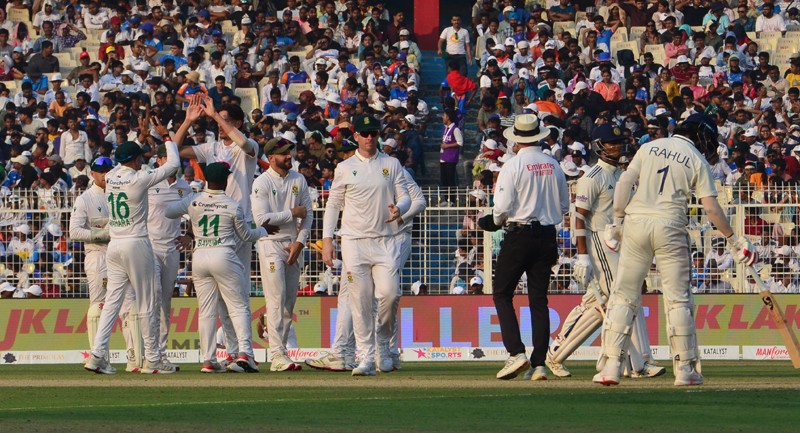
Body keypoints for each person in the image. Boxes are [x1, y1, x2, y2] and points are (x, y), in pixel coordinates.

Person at [594, 114, 757, 386]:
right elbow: (711, 208)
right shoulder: (696, 159)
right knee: (678, 300)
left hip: (636, 222)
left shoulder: (649, 147)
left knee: (623, 295)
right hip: (670, 225)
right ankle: (685, 369)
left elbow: (624, 183)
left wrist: (618, 221)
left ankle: (611, 366)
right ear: (701, 135)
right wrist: (733, 240)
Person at [545, 123, 665, 379]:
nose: (617, 147)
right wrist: (583, 257)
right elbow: (579, 217)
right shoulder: (592, 177)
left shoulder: (622, 176)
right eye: (611, 142)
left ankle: (556, 353)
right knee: (624, 298)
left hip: (620, 244)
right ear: (598, 146)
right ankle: (639, 362)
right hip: (599, 242)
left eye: (618, 142)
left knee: (598, 304)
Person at [478, 114, 569, 381]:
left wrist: (493, 221)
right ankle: (538, 363)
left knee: (502, 292)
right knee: (538, 300)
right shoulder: (553, 165)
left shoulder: (514, 165)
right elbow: (564, 206)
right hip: (547, 235)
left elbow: (502, 207)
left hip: (520, 233)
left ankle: (516, 352)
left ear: (516, 140)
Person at [321, 114, 412, 376]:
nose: (370, 137)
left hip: (386, 240)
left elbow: (405, 196)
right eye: (365, 133)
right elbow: (333, 205)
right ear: (356, 136)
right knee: (359, 301)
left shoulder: (391, 163)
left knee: (390, 294)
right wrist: (327, 241)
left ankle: (383, 344)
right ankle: (366, 356)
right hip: (354, 242)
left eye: (373, 132)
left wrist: (400, 208)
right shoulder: (344, 167)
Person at [166, 162, 278, 373]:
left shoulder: (193, 200)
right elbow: (246, 236)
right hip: (224, 254)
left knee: (206, 311)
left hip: (200, 256)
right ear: (226, 180)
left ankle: (208, 360)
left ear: (207, 180)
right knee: (239, 306)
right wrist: (264, 230)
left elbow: (169, 212)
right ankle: (245, 354)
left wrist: (190, 208)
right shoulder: (232, 205)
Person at [173, 94, 258, 371]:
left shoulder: (246, 146)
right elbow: (175, 151)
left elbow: (244, 144)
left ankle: (244, 352)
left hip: (238, 224)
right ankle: (234, 352)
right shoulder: (211, 147)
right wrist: (188, 121)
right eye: (218, 120)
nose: (219, 125)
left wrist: (214, 117)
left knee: (238, 293)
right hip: (215, 230)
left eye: (225, 120)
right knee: (220, 299)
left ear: (238, 122)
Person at [84, 137, 180, 375]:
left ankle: (97, 355)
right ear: (136, 160)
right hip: (136, 242)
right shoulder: (139, 178)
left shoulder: (110, 177)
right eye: (140, 158)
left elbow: (124, 165)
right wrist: (167, 139)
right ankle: (153, 358)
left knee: (112, 303)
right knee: (147, 302)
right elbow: (173, 165)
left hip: (114, 245)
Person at [251, 137, 313, 372]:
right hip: (270, 244)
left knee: (288, 302)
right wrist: (291, 213)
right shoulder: (262, 182)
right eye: (284, 153)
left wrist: (300, 242)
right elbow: (262, 220)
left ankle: (281, 351)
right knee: (276, 298)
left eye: (290, 152)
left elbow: (308, 214)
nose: (289, 156)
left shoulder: (298, 179)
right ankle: (277, 354)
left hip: (293, 244)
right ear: (271, 158)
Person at [68, 156, 136, 371]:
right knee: (99, 306)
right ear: (92, 174)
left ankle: (134, 357)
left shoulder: (120, 193)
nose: (105, 175)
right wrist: (103, 234)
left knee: (129, 306)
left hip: (121, 255)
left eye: (108, 170)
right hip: (98, 255)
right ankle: (99, 359)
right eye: (101, 171)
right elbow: (74, 232)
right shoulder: (86, 199)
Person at [146, 141, 193, 370]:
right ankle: (149, 352)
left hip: (172, 249)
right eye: (168, 159)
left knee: (165, 302)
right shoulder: (149, 181)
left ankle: (160, 354)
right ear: (160, 161)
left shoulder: (185, 187)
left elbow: (195, 212)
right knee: (153, 296)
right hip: (150, 247)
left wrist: (189, 235)